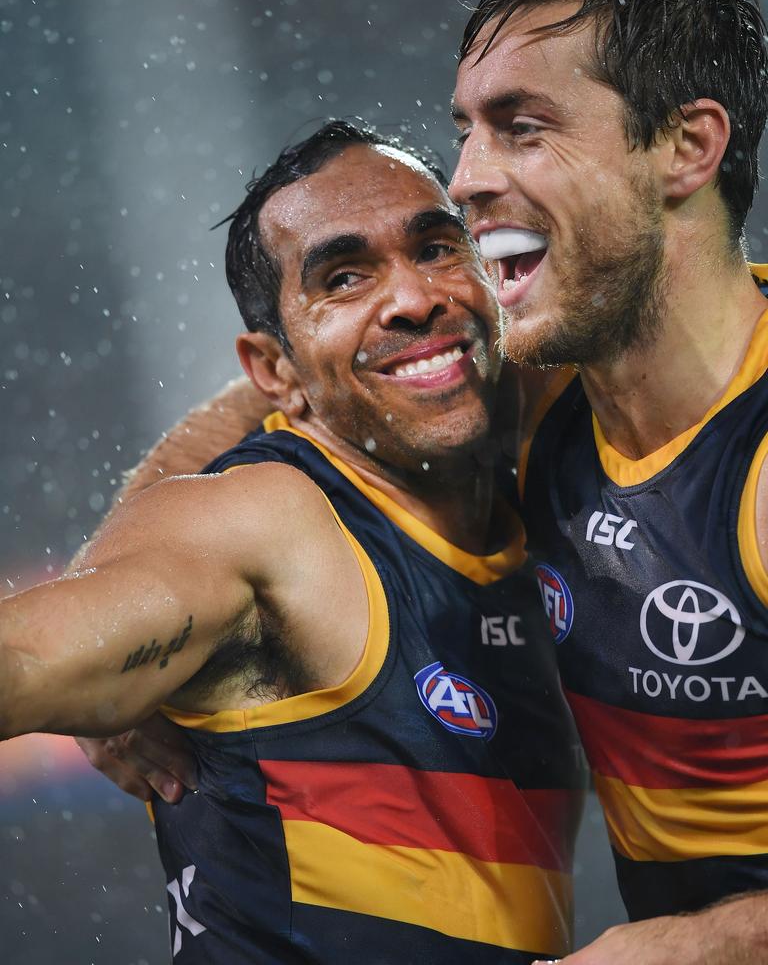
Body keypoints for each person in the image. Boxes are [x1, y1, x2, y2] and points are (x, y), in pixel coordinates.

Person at [1, 120, 583, 964]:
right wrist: (95, 685)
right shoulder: (265, 522)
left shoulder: (552, 442)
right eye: (343, 278)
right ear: (273, 372)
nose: (415, 297)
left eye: (435, 247)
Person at [448, 0, 768, 963]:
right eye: (465, 132)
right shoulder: (542, 389)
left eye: (522, 129)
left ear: (686, 145)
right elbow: (295, 399)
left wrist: (685, 948)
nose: (464, 178)